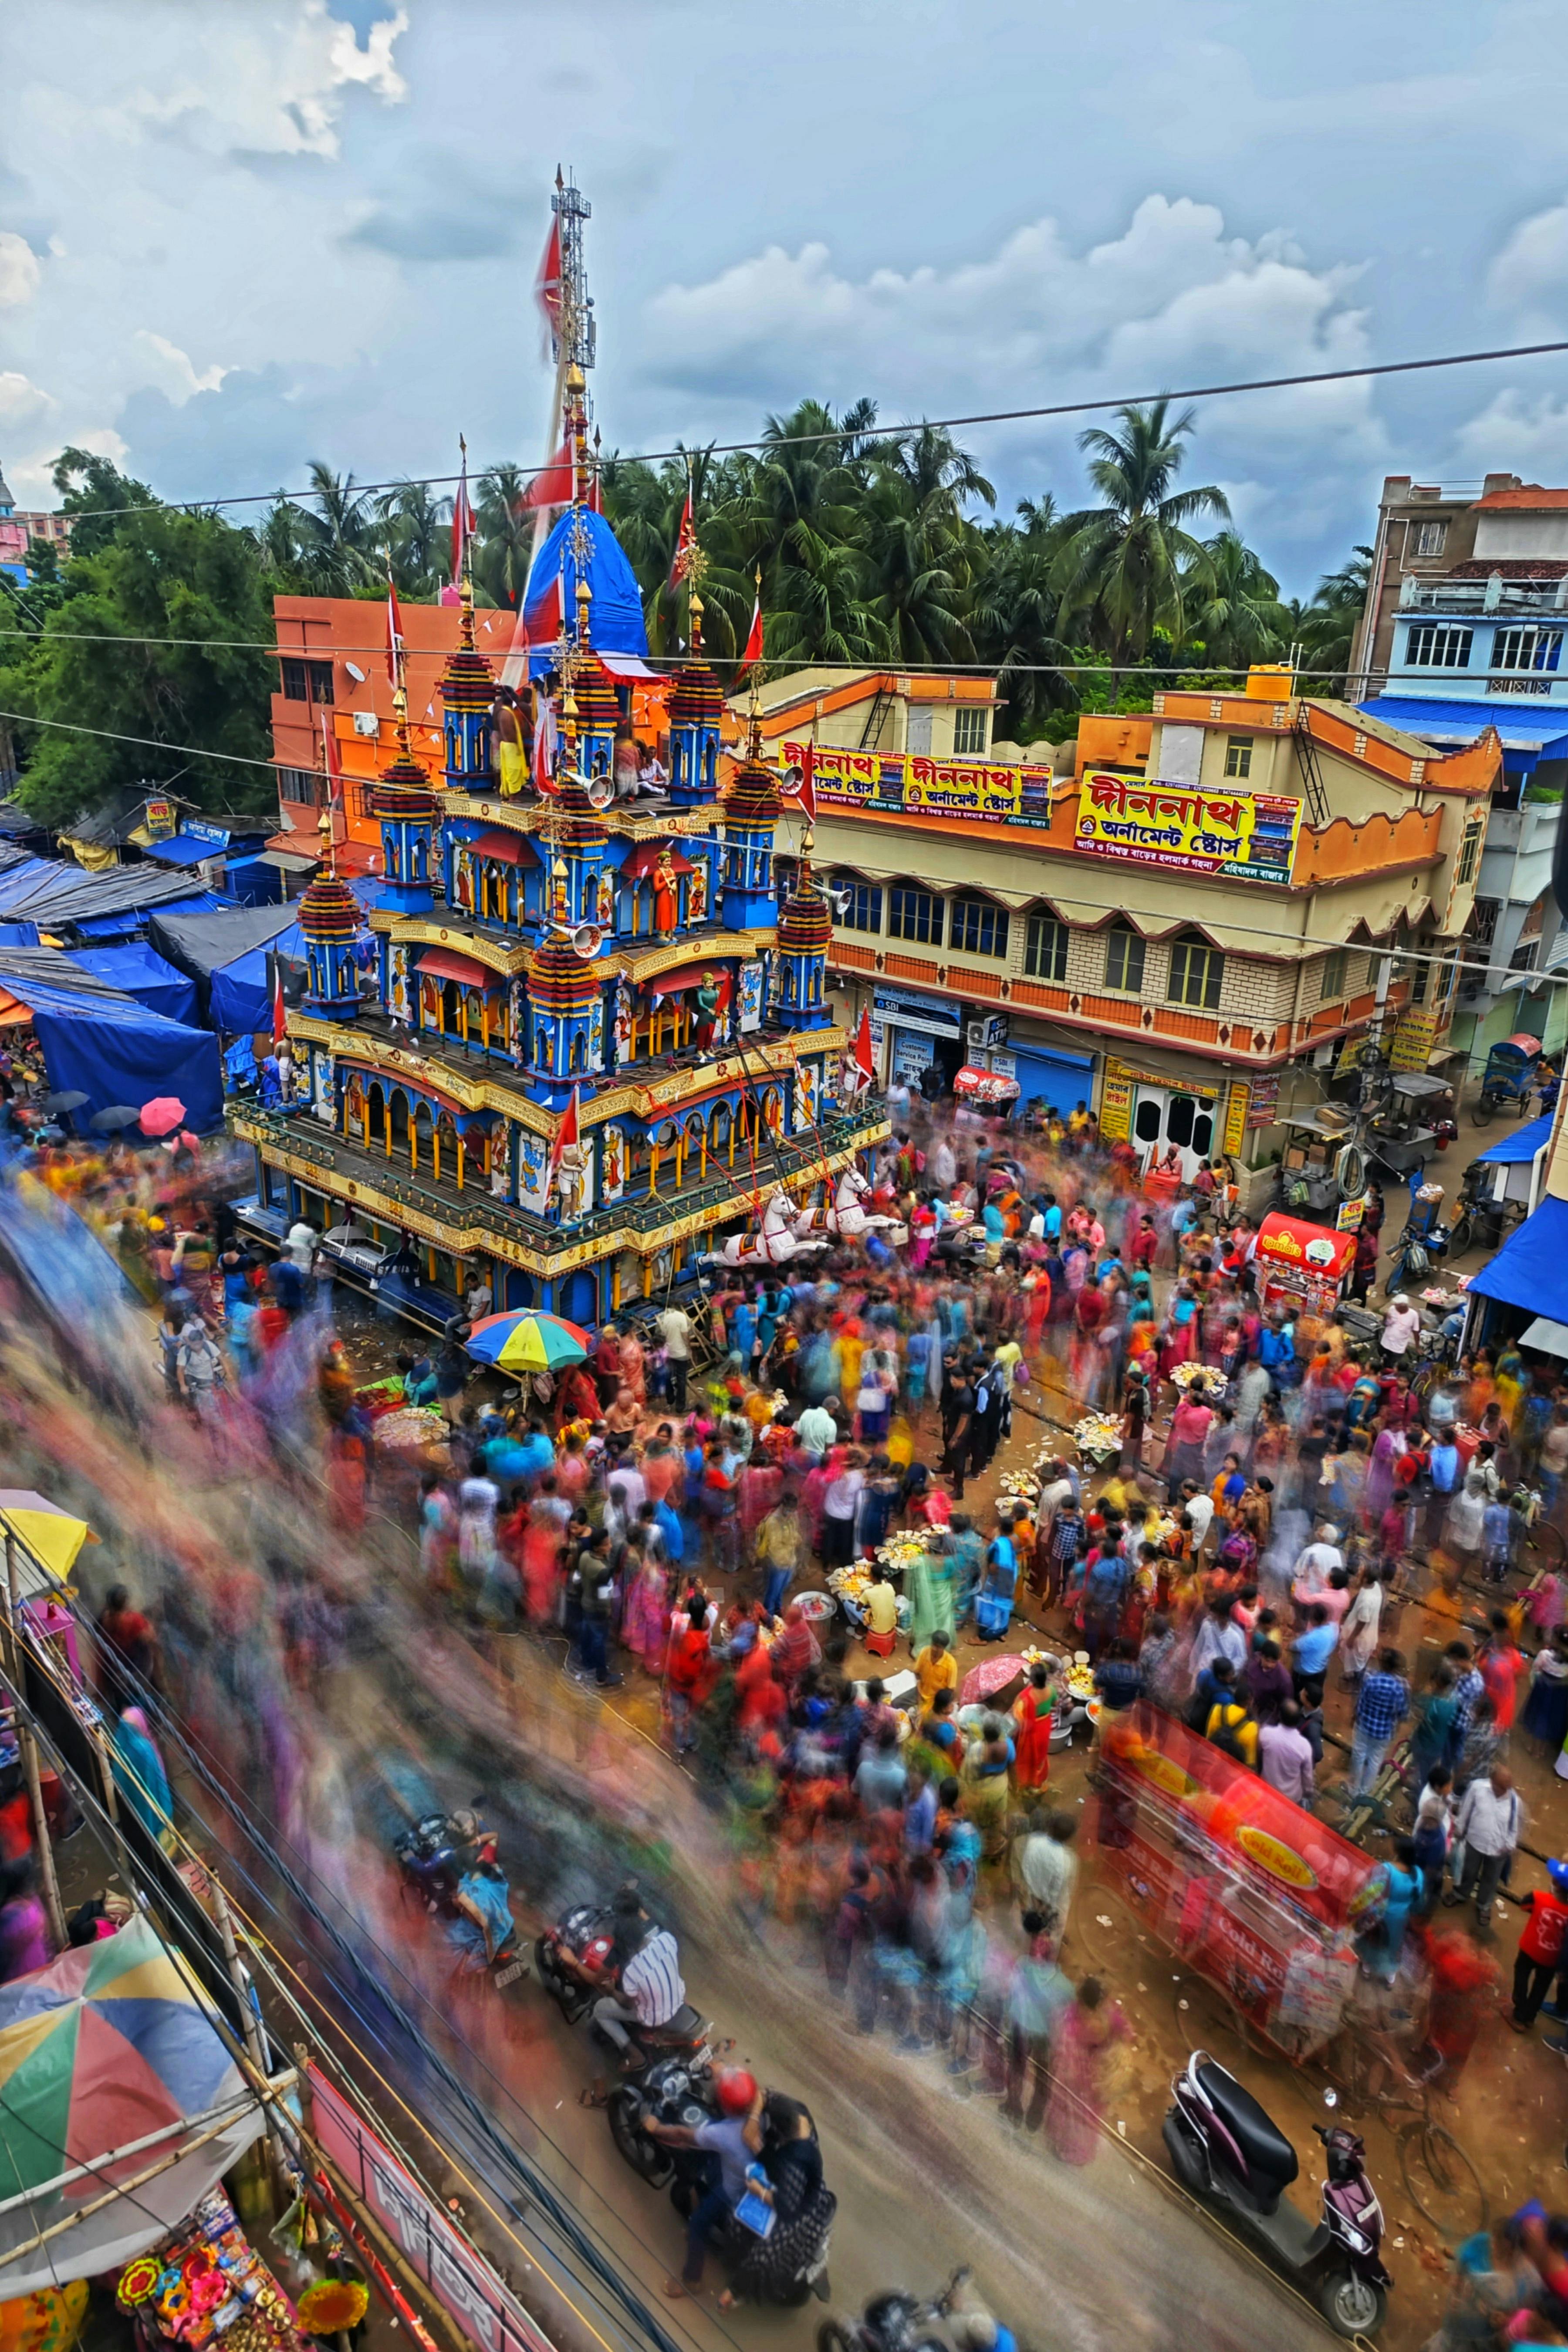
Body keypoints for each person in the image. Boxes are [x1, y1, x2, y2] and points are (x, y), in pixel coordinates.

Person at [641, 2067, 765, 2298]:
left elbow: (682, 2134)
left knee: (698, 2224)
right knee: (712, 2164)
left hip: (736, 2189)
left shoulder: (722, 2134)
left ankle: (692, 2280)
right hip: (756, 2172)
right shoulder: (762, 2112)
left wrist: (656, 2127)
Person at [1044, 1977, 1131, 2165]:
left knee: (1069, 2116)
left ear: (1081, 1999)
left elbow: (1061, 2052)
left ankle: (1068, 2148)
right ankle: (1079, 2153)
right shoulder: (1111, 2015)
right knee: (1086, 2122)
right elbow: (1127, 2033)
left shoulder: (1073, 2021)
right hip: (1096, 2083)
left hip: (1077, 2082)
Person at [1446, 1762, 1520, 1929]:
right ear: (1492, 1781)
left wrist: (1509, 1846)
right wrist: (1460, 1829)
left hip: (1498, 1849)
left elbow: (1513, 1826)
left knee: (1491, 1879)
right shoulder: (1477, 1788)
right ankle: (1461, 1893)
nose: (1505, 1792)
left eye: (1507, 1788)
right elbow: (1465, 1809)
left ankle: (1484, 1906)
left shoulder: (1514, 1800)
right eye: (1501, 1787)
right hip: (1474, 1841)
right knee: (1468, 1871)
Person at [1510, 1857, 1568, 2031]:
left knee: (1522, 1974)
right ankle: (1530, 2017)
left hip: (1530, 1949)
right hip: (1552, 1958)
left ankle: (1519, 2013)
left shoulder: (1538, 1897)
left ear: (1555, 1882)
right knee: (1541, 1987)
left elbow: (1524, 1906)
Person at [1347, 1648, 1408, 1800]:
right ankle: (1365, 1792)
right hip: (1384, 1732)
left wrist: (1355, 1717)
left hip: (1365, 1726)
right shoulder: (1398, 1688)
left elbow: (1361, 1703)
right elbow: (1402, 1712)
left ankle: (1353, 1790)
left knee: (1359, 1756)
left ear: (1381, 1664)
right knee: (1375, 1760)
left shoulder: (1371, 1680)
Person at [1257, 1700, 1315, 1806]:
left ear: (1279, 1716)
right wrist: (1308, 1793)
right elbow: (1308, 1777)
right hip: (1291, 1799)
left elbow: (1258, 1753)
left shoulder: (1266, 1734)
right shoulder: (1304, 1746)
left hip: (1266, 1791)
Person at [1011, 1663, 1056, 1794]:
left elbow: (1017, 1713)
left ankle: (1027, 1783)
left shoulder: (1025, 1697)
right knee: (1041, 1755)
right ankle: (1038, 1782)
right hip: (1045, 1725)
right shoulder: (1052, 1690)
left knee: (1029, 1756)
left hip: (1032, 1730)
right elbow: (1054, 1703)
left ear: (1032, 1679)